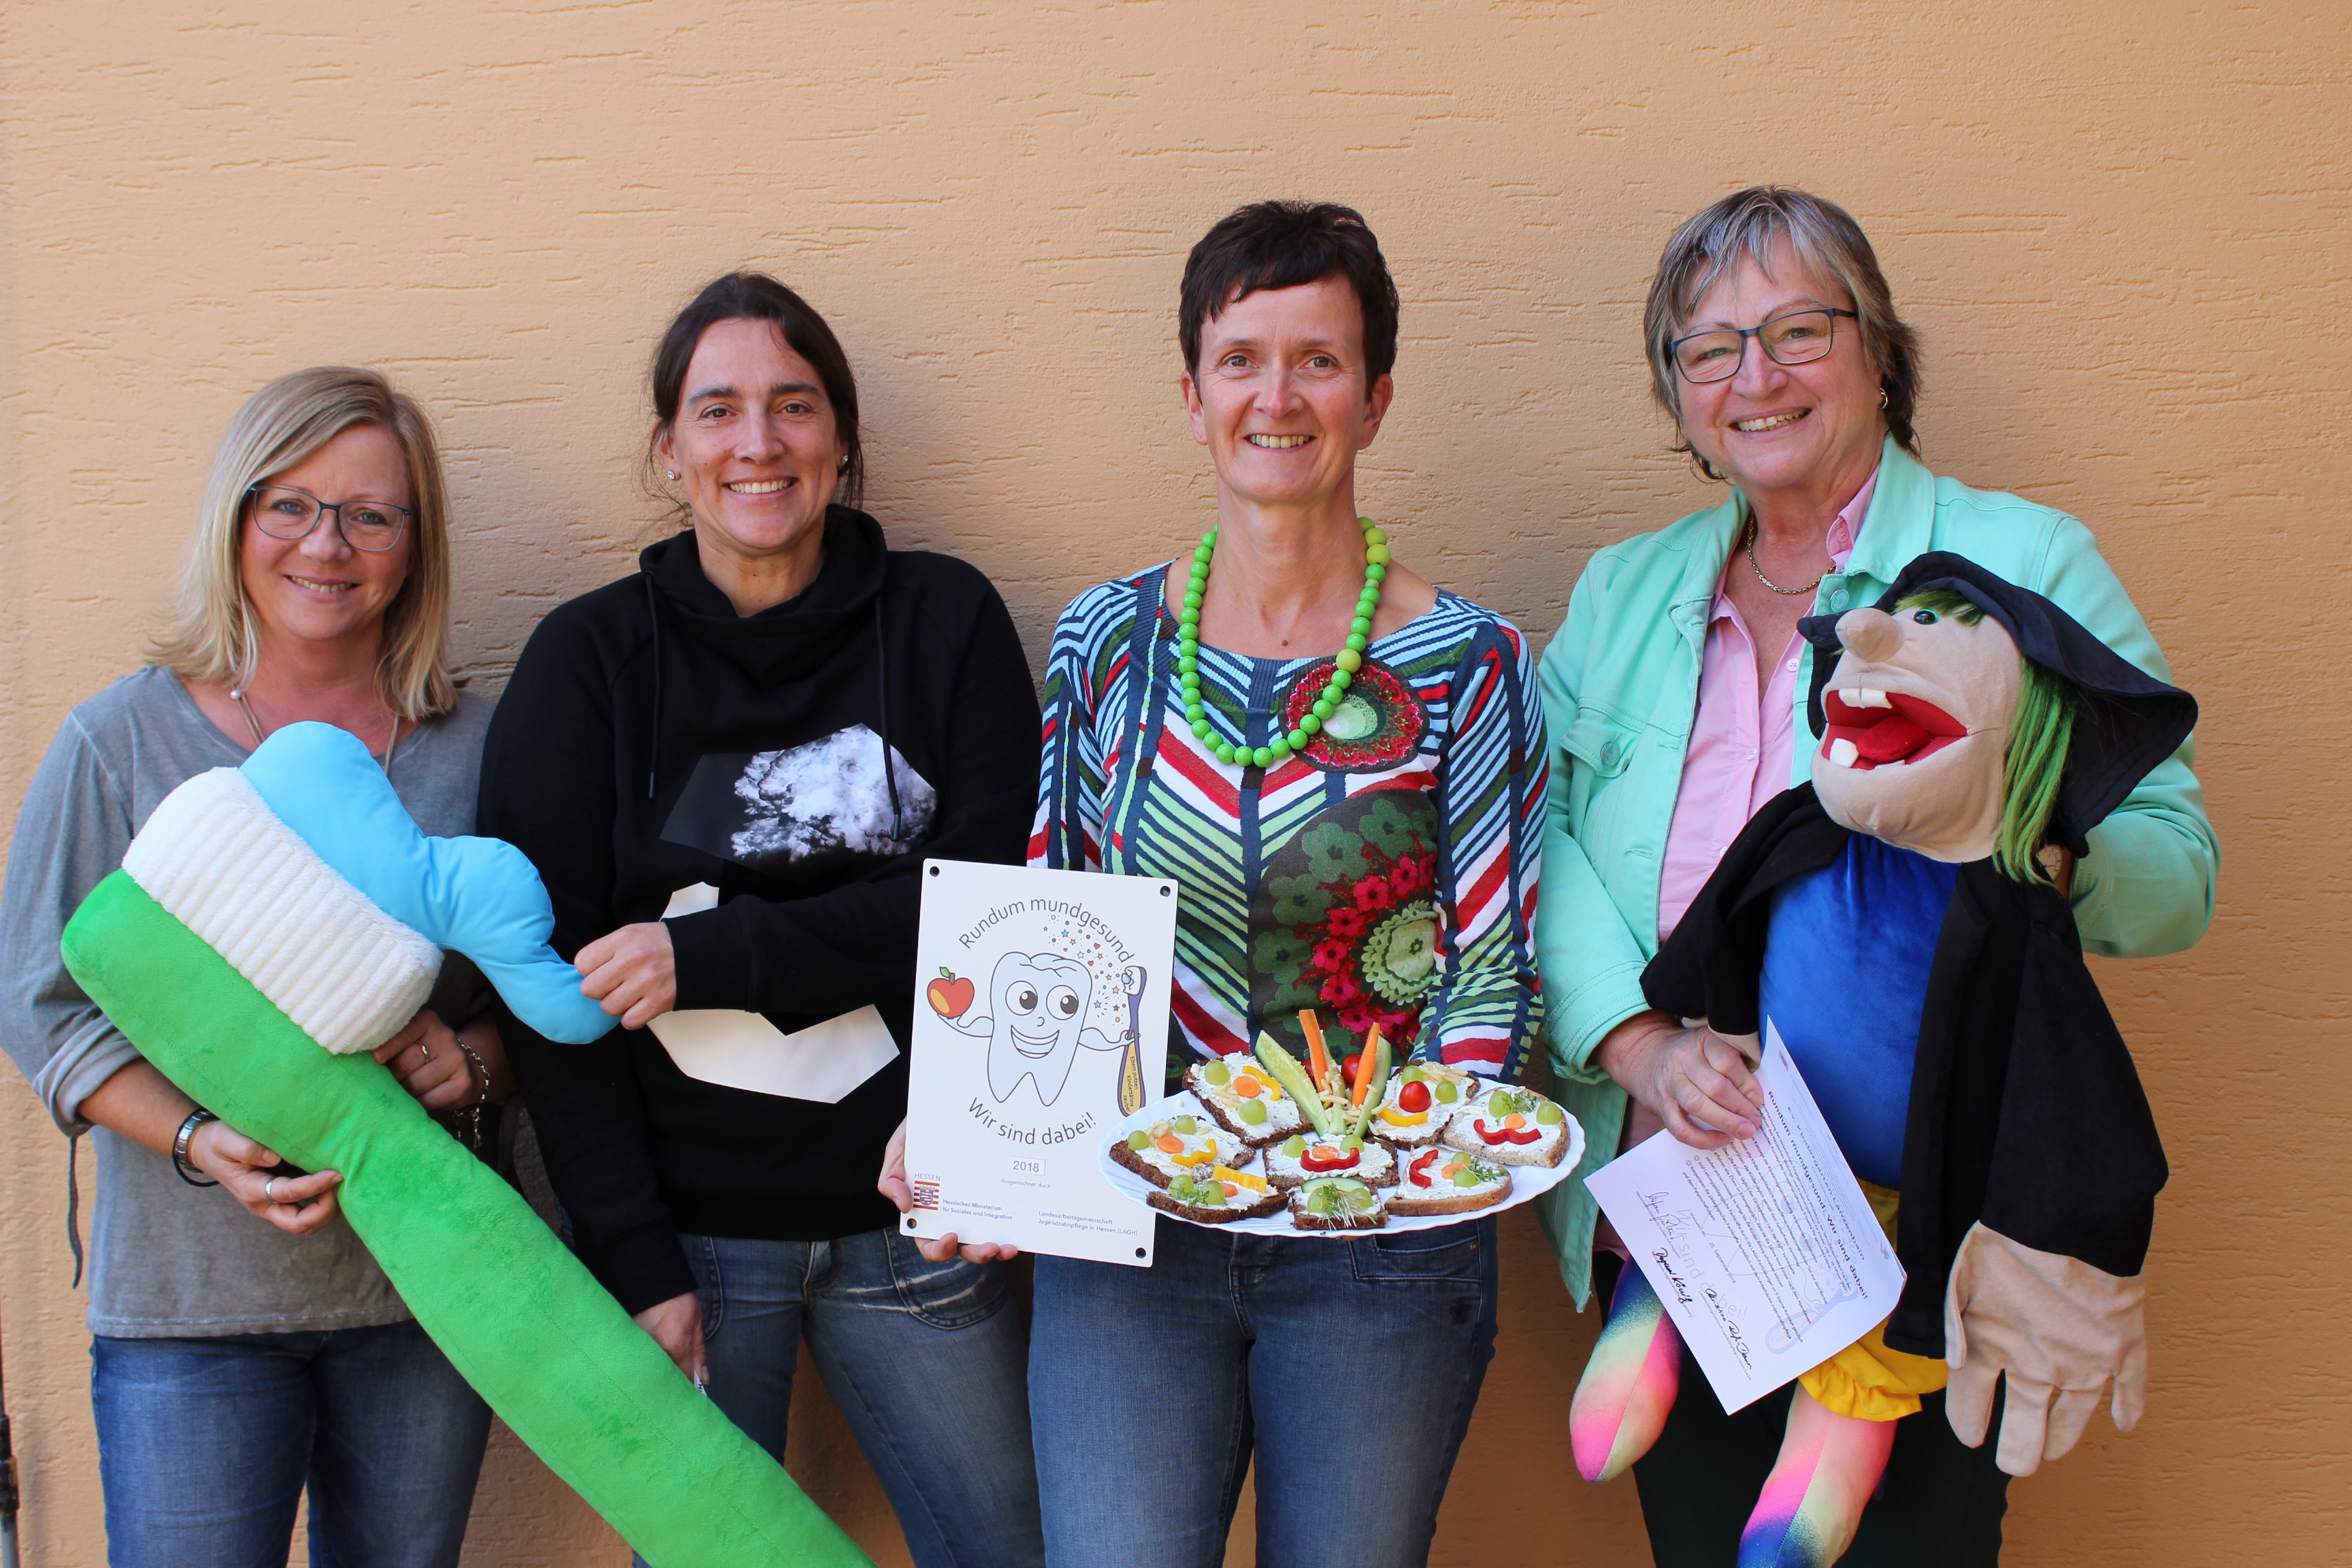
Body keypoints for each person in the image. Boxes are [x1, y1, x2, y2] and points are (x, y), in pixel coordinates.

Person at [1533, 186, 2217, 1565]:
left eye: (1799, 330)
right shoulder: (1622, 593)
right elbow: (1540, 851)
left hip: (1927, 1228)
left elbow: (2178, 869)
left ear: (1879, 351)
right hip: (1688, 1196)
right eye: (1710, 348)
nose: (1756, 376)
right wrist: (1645, 1047)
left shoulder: (2019, 564)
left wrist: (2020, 843)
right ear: (1679, 395)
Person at [478, 272, 1045, 1568]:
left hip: (921, 1216)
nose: (758, 443)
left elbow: (993, 914)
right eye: (718, 409)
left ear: (841, 440)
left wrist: (705, 956)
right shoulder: (587, 663)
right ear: (667, 449)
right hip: (692, 1237)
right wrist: (635, 1257)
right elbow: (548, 993)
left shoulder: (945, 621)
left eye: (794, 405)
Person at [1028, 200, 1547, 1568]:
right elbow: (1051, 910)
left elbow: (1491, 968)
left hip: (1378, 1240)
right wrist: (992, 1144)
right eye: (1241, 359)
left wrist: (1400, 1179)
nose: (1278, 396)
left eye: (1319, 360)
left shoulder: (1471, 663)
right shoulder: (1106, 643)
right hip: (1130, 1226)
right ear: (1191, 394)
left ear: (1375, 401)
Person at [0, 366, 513, 1568]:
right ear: (236, 519)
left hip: (427, 1299)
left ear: (415, 545)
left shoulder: (481, 747)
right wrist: (197, 1138)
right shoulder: (121, 741)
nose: (326, 546)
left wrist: (481, 1061)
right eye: (289, 505)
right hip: (191, 1315)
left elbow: (545, 985)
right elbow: (40, 1002)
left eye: (370, 515)